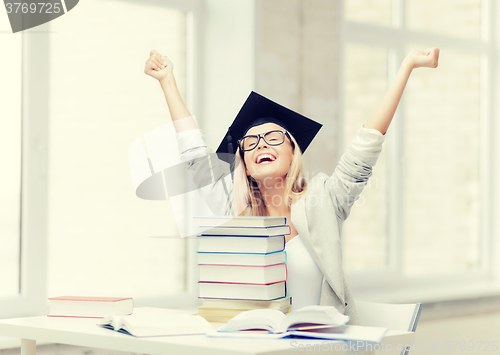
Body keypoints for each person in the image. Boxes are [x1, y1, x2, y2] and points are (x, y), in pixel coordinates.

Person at [144, 47, 440, 323]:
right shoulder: (232, 209)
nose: (261, 144)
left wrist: (407, 66)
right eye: (251, 142)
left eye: (273, 137)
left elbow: (365, 148)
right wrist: (167, 82)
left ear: (292, 151)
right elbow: (194, 155)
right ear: (244, 164)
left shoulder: (324, 199)